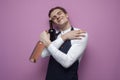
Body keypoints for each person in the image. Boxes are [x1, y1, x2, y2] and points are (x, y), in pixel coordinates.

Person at [40, 6, 88, 80]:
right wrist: (64, 37)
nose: (58, 17)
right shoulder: (53, 35)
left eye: (59, 13)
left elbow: (67, 62)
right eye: (54, 17)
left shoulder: (80, 33)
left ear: (66, 15)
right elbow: (43, 54)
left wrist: (48, 43)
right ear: (53, 22)